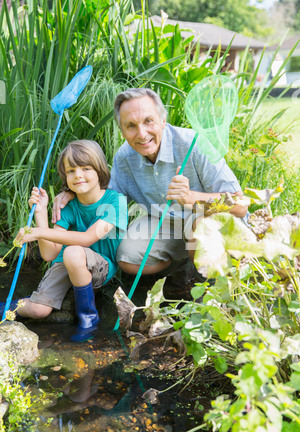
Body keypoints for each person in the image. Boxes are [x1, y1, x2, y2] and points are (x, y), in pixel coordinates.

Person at [52, 88, 247, 284]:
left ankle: (212, 289)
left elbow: (241, 204)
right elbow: (108, 199)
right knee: (127, 258)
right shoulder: (124, 158)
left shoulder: (193, 144)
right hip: (167, 221)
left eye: (148, 121)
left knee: (200, 227)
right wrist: (73, 191)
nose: (142, 133)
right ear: (122, 131)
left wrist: (190, 197)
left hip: (209, 221)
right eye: (131, 126)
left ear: (163, 120)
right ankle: (181, 271)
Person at [5, 140, 128, 342]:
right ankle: (5, 307)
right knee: (38, 310)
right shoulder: (68, 206)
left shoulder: (115, 201)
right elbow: (49, 254)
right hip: (65, 262)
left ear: (100, 171)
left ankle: (87, 319)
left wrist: (38, 233)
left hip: (99, 266)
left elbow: (87, 238)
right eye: (71, 171)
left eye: (86, 168)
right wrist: (41, 212)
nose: (78, 175)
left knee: (73, 251)